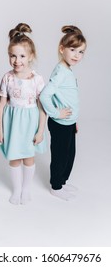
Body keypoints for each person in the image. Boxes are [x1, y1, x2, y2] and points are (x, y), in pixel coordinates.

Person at [0, 23, 47, 205]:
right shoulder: (7, 77)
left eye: (22, 56)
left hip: (30, 122)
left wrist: (41, 131)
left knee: (28, 156)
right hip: (12, 123)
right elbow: (1, 105)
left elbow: (42, 108)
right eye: (13, 56)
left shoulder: (37, 79)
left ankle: (26, 189)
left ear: (31, 56)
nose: (17, 60)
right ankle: (16, 189)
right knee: (14, 157)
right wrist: (0, 130)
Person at [40, 25, 87, 201]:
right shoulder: (61, 71)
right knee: (60, 155)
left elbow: (68, 98)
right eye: (73, 50)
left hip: (69, 123)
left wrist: (73, 120)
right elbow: (44, 95)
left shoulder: (67, 70)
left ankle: (63, 181)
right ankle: (56, 186)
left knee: (70, 154)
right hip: (60, 123)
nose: (77, 55)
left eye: (81, 52)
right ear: (62, 49)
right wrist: (56, 114)